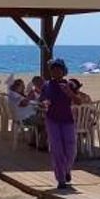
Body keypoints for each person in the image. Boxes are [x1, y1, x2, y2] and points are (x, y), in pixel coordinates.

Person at [40, 59, 78, 190]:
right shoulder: (46, 86)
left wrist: (69, 93)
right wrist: (44, 104)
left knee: (71, 149)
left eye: (59, 70)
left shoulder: (70, 84)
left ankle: (67, 169)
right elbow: (42, 100)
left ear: (63, 71)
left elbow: (79, 101)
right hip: (52, 120)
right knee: (57, 150)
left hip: (68, 119)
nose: (56, 72)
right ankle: (61, 178)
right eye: (53, 70)